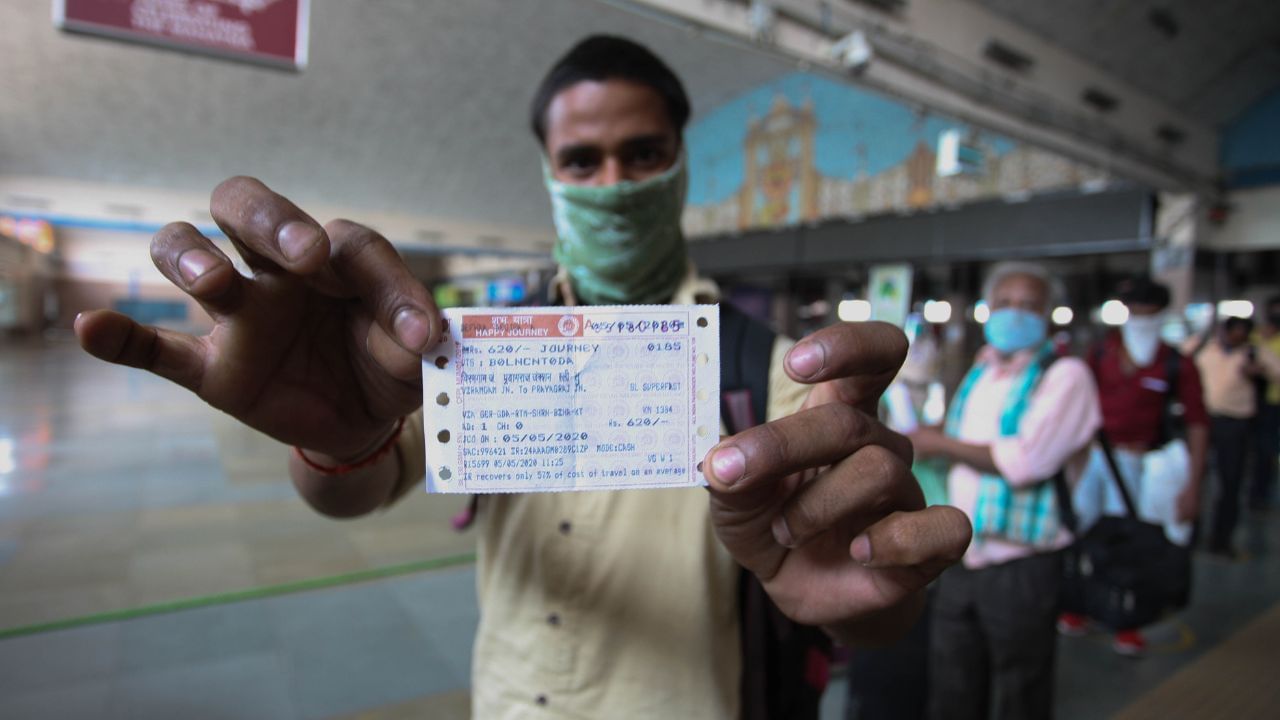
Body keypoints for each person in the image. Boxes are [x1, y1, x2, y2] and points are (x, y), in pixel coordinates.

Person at [73, 35, 971, 719]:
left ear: (681, 163)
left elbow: (858, 602)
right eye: (583, 161)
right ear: (549, 173)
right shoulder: (469, 352)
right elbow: (357, 489)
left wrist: (866, 593)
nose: (613, 183)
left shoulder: (770, 373)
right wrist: (335, 437)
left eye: (643, 154)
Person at [910, 261, 1101, 720]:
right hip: (962, 555)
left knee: (1021, 689)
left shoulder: (1066, 376)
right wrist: (921, 436)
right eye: (1004, 303)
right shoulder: (983, 369)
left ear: (1049, 315)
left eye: (1028, 305)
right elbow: (958, 430)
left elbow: (1026, 462)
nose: (1014, 313)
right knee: (952, 683)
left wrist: (939, 444)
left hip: (1022, 563)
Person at [1058, 276, 1209, 656]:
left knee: (1129, 542)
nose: (1141, 319)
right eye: (1135, 311)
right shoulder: (1100, 354)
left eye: (1149, 313)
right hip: (1093, 457)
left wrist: (1193, 484)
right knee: (1079, 530)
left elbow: (1197, 423)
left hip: (1140, 464)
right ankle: (1077, 605)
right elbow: (1077, 409)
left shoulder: (1176, 363)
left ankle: (1127, 619)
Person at [1193, 315, 1280, 557]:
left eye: (1242, 335)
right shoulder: (1203, 347)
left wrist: (1259, 371)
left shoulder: (1254, 353)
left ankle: (1221, 539)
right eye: (1233, 334)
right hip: (1201, 421)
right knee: (1193, 477)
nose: (1236, 338)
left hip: (1235, 423)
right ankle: (1190, 535)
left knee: (1230, 482)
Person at [1251, 295, 1280, 511]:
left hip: (1274, 401)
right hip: (1255, 402)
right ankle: (1257, 494)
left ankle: (1262, 493)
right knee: (1260, 450)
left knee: (1268, 449)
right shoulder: (1255, 337)